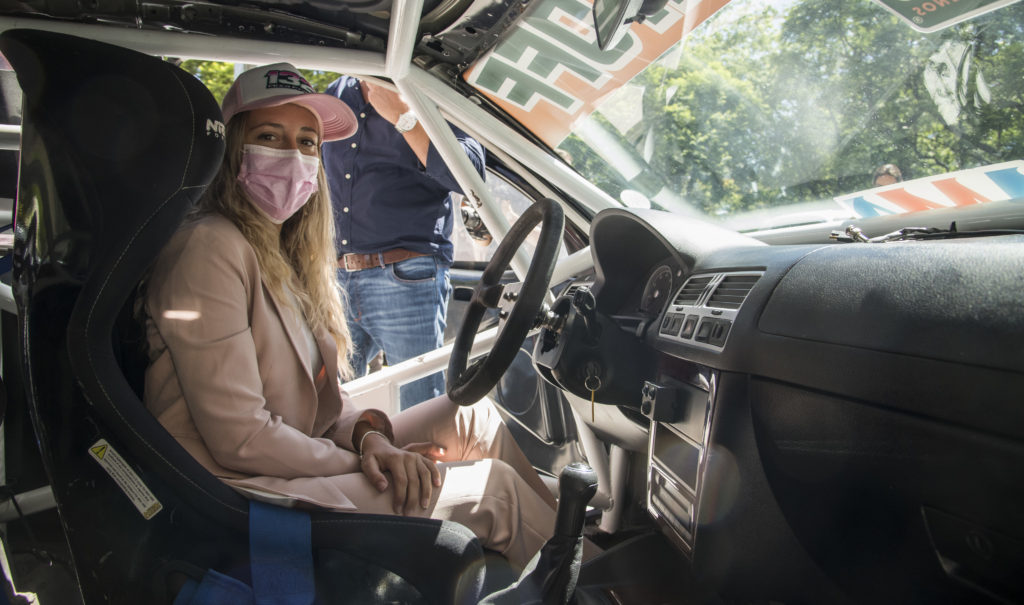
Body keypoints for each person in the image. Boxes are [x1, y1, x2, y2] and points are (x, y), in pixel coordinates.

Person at [142, 63, 561, 570]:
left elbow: (324, 405)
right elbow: (242, 440)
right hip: (241, 494)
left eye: (306, 143)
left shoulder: (284, 253)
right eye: (269, 137)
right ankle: (579, 581)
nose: (292, 157)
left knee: (471, 414)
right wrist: (371, 460)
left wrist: (371, 438)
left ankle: (562, 554)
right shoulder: (209, 247)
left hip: (296, 454)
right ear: (232, 149)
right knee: (497, 493)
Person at [322, 76, 485, 410]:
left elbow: (469, 177)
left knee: (419, 406)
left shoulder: (431, 88)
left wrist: (404, 118)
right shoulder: (335, 94)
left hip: (407, 277)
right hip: (333, 278)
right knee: (324, 404)